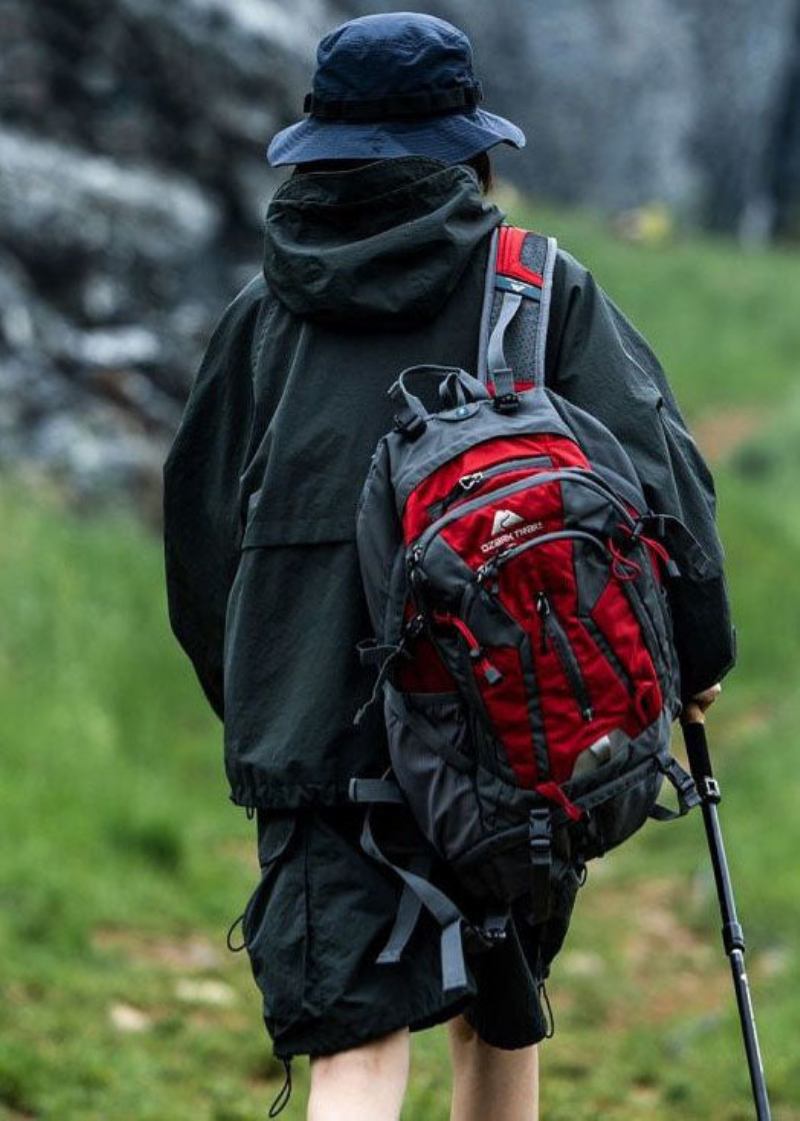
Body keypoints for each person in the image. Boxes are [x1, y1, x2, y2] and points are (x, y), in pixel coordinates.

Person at [163, 12, 734, 1121]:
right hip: (510, 717)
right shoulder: (538, 283)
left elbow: (198, 539)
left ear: (319, 152)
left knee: (355, 1039)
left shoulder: (261, 317)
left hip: (313, 734)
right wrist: (696, 656)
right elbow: (660, 487)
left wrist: (257, 705)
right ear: (465, 149)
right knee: (500, 1009)